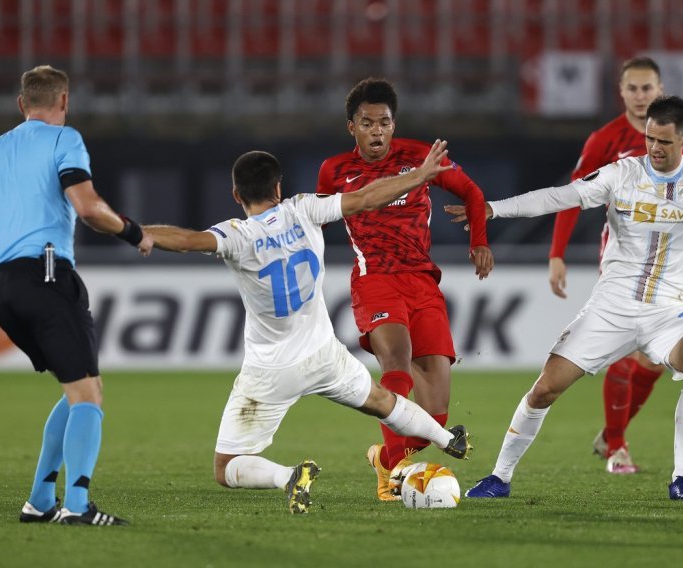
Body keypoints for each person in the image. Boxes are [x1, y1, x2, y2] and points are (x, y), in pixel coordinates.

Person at [447, 97, 683, 501]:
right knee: (545, 390)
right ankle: (500, 477)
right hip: (611, 309)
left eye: (664, 141)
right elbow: (558, 198)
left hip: (669, 310)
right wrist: (491, 210)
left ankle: (682, 479)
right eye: (649, 139)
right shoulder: (621, 174)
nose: (654, 148)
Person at [142, 142, 473, 514]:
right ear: (278, 188)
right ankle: (447, 438)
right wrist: (418, 176)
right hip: (324, 354)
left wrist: (137, 232)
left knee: (226, 466)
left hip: (271, 369)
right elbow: (365, 198)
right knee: (382, 401)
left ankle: (288, 476)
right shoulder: (304, 207)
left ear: (236, 195)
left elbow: (187, 241)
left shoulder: (236, 234)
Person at [548, 57, 683, 474]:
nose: (640, 96)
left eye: (647, 88)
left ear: (659, 89)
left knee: (652, 362)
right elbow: (572, 195)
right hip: (623, 260)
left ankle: (610, 435)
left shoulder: (681, 138)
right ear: (621, 93)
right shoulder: (605, 139)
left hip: (669, 265)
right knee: (627, 349)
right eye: (632, 89)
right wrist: (557, 253)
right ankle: (617, 446)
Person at [0, 65, 154, 525]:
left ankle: (40, 501)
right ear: (64, 102)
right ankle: (77, 505)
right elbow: (88, 208)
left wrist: (2, 244)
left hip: (0, 286)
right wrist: (134, 232)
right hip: (46, 276)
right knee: (87, 395)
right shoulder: (65, 140)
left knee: (80, 388)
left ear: (21, 105)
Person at [316, 78, 494, 501]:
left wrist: (479, 241)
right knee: (397, 364)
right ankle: (394, 475)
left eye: (384, 122)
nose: (377, 131)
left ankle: (385, 458)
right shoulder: (335, 170)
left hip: (422, 282)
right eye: (367, 123)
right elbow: (315, 219)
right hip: (374, 280)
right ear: (351, 127)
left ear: (394, 125)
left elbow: (470, 191)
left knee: (435, 410)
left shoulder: (422, 157)